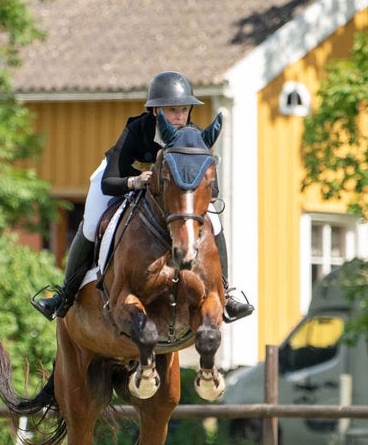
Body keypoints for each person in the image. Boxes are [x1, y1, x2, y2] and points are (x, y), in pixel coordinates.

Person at [32, 70, 254, 323]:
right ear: (156, 111)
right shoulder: (137, 129)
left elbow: (211, 189)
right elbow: (109, 181)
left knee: (215, 221)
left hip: (168, 196)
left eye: (184, 109)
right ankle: (65, 295)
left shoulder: (194, 138)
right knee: (92, 225)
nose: (179, 116)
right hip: (120, 180)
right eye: (172, 110)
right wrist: (135, 181)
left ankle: (226, 294)